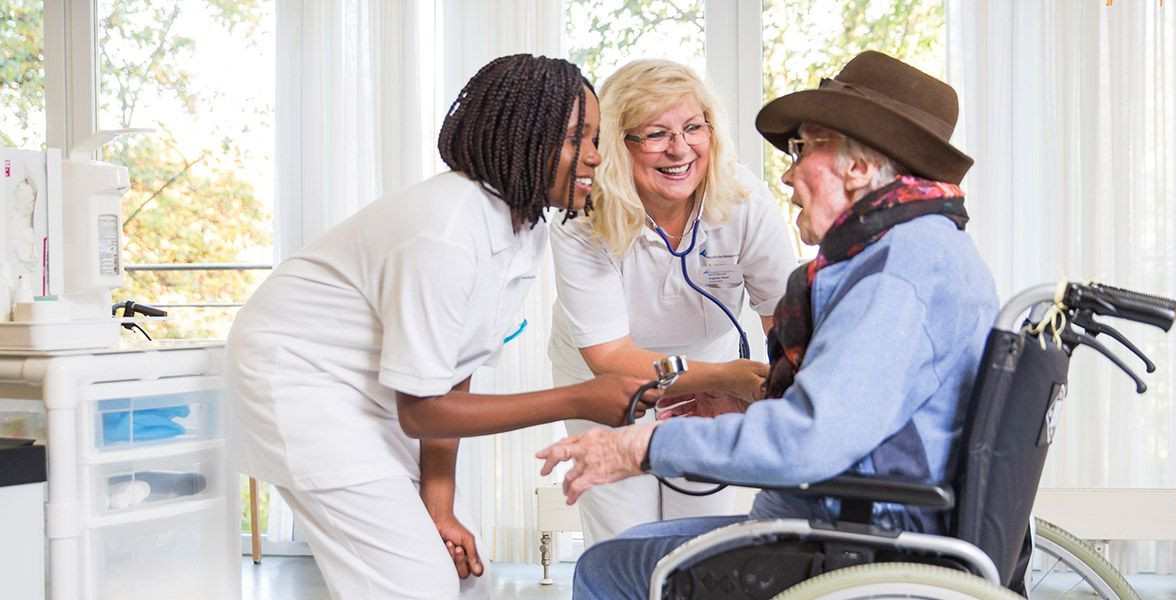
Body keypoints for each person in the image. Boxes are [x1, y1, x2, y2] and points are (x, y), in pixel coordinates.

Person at [536, 50, 1000, 599]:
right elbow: (844, 401)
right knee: (625, 537)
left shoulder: (897, 274)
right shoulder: (916, 249)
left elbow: (812, 436)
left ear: (855, 168)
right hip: (831, 502)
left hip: (845, 533)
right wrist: (751, 397)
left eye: (802, 148)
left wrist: (647, 445)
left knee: (609, 567)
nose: (786, 170)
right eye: (657, 133)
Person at [225, 54, 658, 600]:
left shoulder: (523, 227)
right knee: (417, 585)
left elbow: (454, 371)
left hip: (376, 388)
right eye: (578, 139)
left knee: (464, 569)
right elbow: (422, 408)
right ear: (523, 138)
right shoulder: (447, 231)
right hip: (297, 383)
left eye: (595, 138)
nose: (597, 157)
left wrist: (439, 507)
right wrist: (578, 398)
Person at [547, 59, 796, 546]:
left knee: (699, 535)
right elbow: (610, 357)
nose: (680, 149)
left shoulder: (743, 198)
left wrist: (776, 397)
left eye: (692, 128)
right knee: (626, 536)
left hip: (713, 375)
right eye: (656, 134)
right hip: (609, 383)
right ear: (618, 144)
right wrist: (725, 377)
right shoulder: (583, 217)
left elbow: (785, 325)